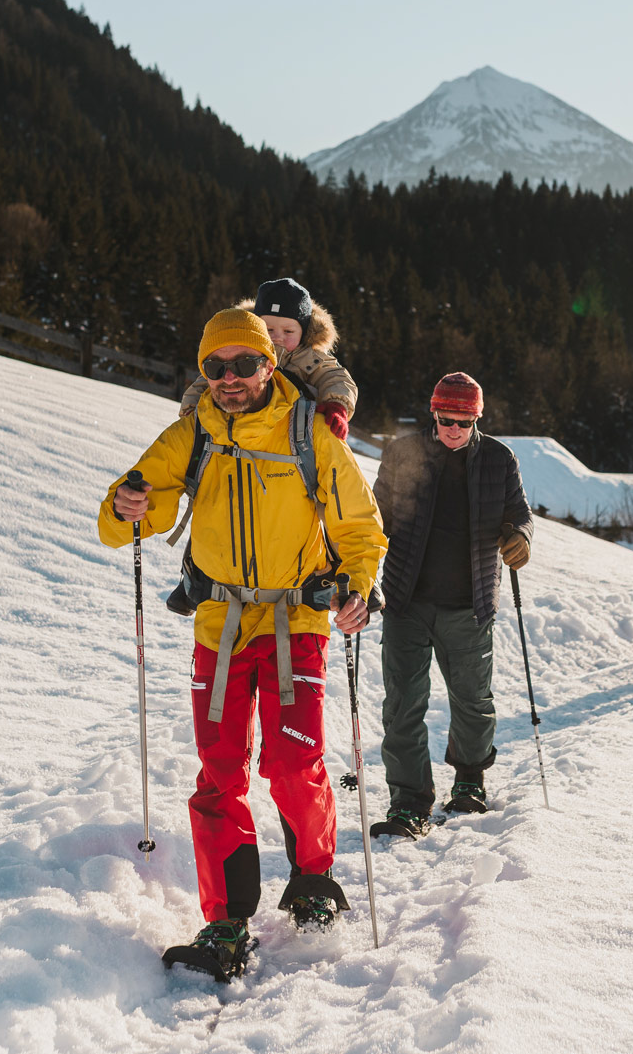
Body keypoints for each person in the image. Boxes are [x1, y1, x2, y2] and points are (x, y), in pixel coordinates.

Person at [100, 308, 385, 981]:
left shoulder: (309, 432)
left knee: (292, 762)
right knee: (219, 773)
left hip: (297, 623)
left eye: (244, 364)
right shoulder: (192, 432)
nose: (229, 378)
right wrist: (126, 506)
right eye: (215, 367)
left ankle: (313, 879)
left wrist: (357, 583)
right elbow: (129, 512)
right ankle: (226, 922)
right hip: (220, 627)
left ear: (269, 364)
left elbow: (359, 524)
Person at [369, 372, 533, 839]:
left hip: (469, 602)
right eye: (446, 420)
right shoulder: (403, 452)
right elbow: (376, 515)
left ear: (477, 419)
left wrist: (520, 537)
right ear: (433, 413)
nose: (454, 429)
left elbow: (519, 514)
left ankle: (469, 779)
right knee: (403, 704)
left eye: (464, 421)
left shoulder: (499, 459)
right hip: (406, 600)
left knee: (472, 700)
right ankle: (408, 801)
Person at [178, 277, 359, 440]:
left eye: (288, 331)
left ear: (304, 333)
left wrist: (337, 404)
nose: (277, 338)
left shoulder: (311, 358)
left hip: (293, 436)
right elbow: (210, 380)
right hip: (240, 431)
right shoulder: (241, 352)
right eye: (268, 329)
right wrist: (191, 409)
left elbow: (337, 378)